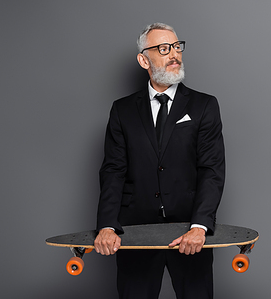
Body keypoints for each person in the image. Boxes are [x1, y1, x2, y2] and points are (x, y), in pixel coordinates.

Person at [94, 23, 225, 299]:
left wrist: (199, 227)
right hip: (135, 233)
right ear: (144, 59)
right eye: (163, 49)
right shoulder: (122, 110)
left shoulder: (204, 106)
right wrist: (107, 225)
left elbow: (211, 170)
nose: (174, 54)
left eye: (177, 47)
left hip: (190, 233)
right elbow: (113, 171)